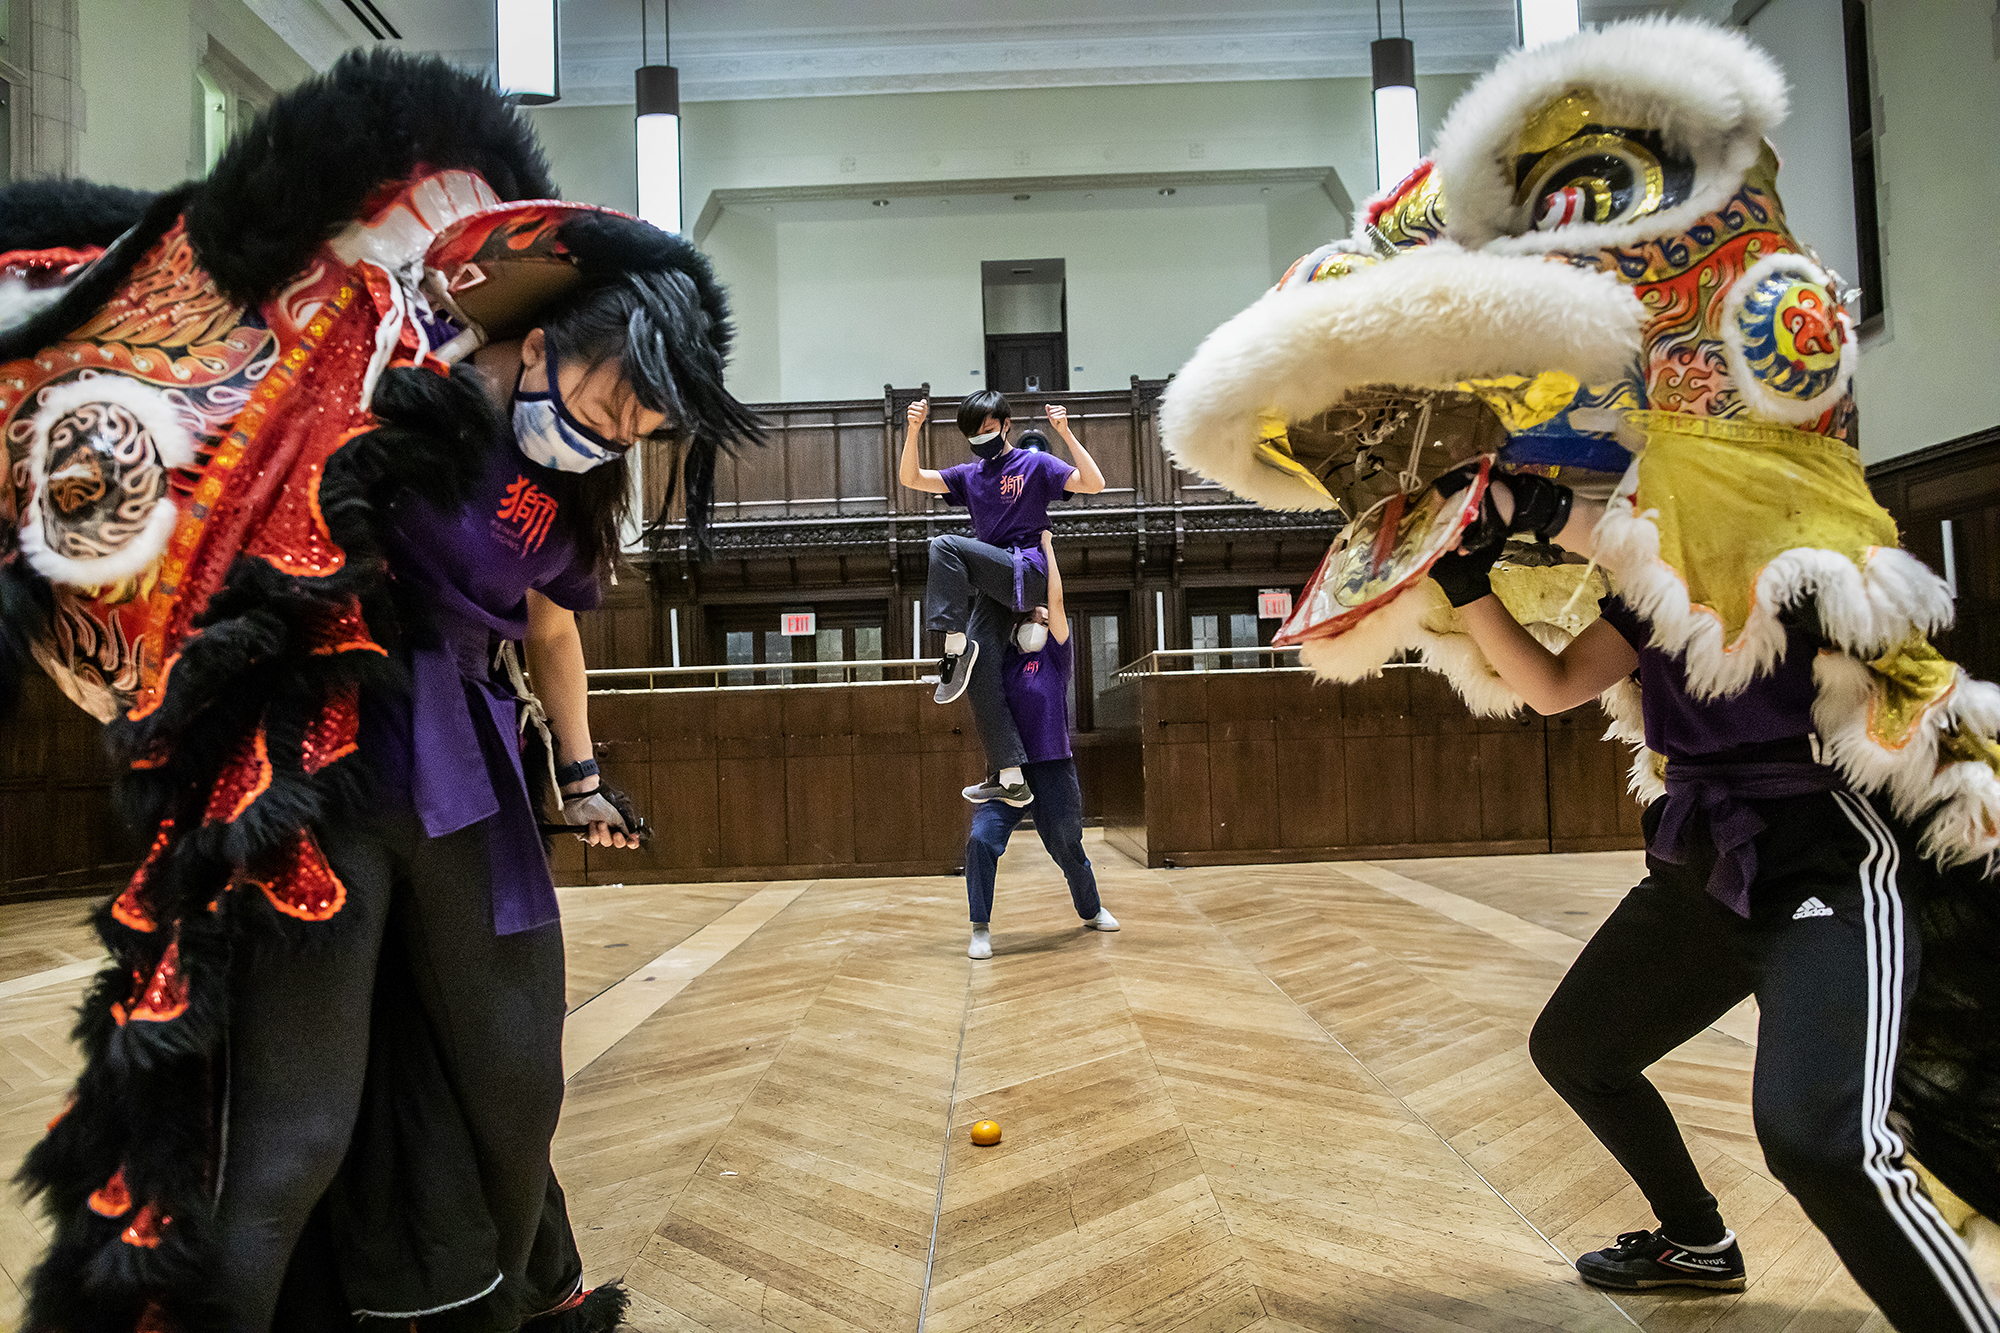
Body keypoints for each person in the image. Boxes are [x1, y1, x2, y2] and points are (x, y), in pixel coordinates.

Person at [1428, 469, 2000, 1331]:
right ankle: (1696, 1241)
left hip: (1825, 853)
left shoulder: (1795, 538)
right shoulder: (1655, 581)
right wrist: (1465, 580)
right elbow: (1550, 686)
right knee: (1579, 1047)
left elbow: (1702, 546)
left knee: (1817, 1140)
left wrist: (1528, 507)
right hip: (1701, 853)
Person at [899, 390, 1105, 806]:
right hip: (995, 581)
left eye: (988, 429)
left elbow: (1094, 484)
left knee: (944, 545)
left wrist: (1064, 433)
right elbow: (912, 479)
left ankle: (953, 648)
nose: (981, 438)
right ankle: (1009, 774)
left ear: (1006, 424)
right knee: (980, 671)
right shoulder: (969, 476)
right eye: (973, 433)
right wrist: (913, 429)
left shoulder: (1034, 464)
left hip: (1028, 571)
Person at [962, 531, 1120, 959]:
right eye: (1032, 618)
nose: (1039, 623)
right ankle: (980, 927)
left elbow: (1058, 603)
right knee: (981, 840)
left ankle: (1091, 909)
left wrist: (1047, 549)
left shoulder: (1055, 656)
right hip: (1008, 772)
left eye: (1044, 620)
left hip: (1053, 767)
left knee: (1068, 845)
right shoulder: (1000, 660)